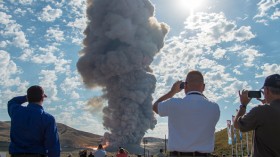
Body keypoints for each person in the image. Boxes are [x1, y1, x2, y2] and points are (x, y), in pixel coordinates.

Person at [153, 70, 220, 157]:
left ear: (185, 86)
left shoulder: (174, 103)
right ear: (203, 87)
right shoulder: (214, 108)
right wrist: (200, 92)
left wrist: (172, 92)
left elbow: (155, 106)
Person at [234, 74, 280, 157]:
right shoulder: (265, 111)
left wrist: (243, 105)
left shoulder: (261, 111)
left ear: (266, 90)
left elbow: (237, 125)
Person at [7, 85, 60, 157]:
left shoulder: (16, 111)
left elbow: (12, 101)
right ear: (42, 98)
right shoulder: (48, 119)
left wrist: (26, 97)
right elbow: (53, 146)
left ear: (28, 98)